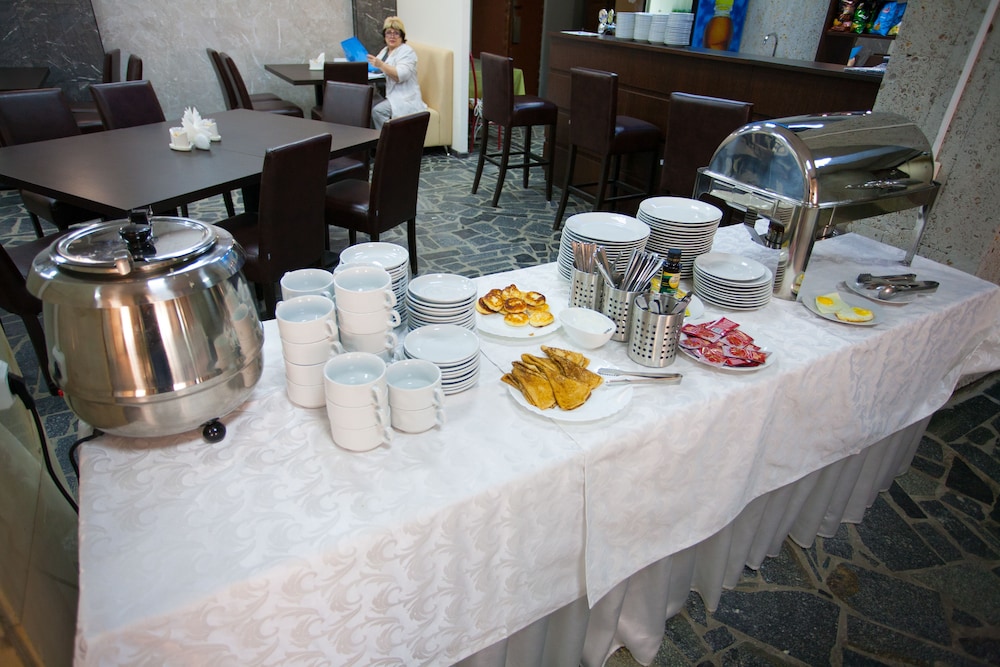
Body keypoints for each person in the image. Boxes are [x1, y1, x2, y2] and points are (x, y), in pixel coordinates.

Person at [367, 16, 427, 130]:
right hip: (388, 95)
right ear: (384, 35)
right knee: (366, 105)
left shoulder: (407, 52)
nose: (392, 36)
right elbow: (377, 68)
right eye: (389, 32)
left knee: (378, 111)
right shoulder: (385, 51)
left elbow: (401, 75)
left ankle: (389, 139)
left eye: (396, 33)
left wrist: (381, 65)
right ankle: (375, 139)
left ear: (402, 36)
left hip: (405, 99)